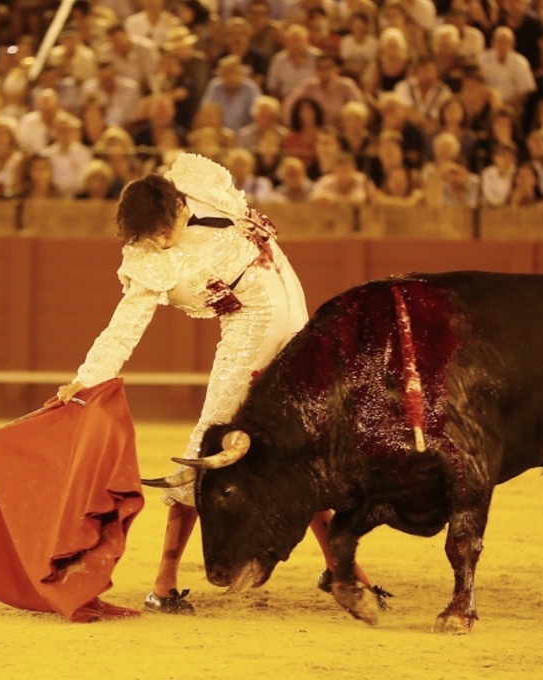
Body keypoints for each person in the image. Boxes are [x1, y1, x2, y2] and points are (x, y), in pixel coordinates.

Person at [56, 155, 372, 612]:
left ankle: (339, 570)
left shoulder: (197, 183)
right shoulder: (150, 261)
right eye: (149, 236)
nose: (161, 241)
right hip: (249, 338)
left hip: (298, 323)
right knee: (207, 452)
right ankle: (164, 584)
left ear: (176, 204)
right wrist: (85, 381)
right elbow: (124, 328)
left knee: (300, 448)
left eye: (163, 227)